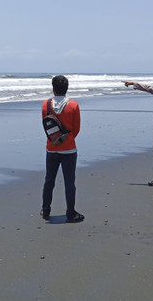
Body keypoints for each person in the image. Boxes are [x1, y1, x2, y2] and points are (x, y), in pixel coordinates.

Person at [41, 75, 84, 223]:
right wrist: (67, 140)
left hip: (51, 148)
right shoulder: (73, 105)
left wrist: (56, 141)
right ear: (67, 88)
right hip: (69, 149)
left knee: (49, 180)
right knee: (69, 182)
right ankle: (71, 213)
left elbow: (46, 126)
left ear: (53, 88)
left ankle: (45, 210)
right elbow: (76, 129)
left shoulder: (45, 105)